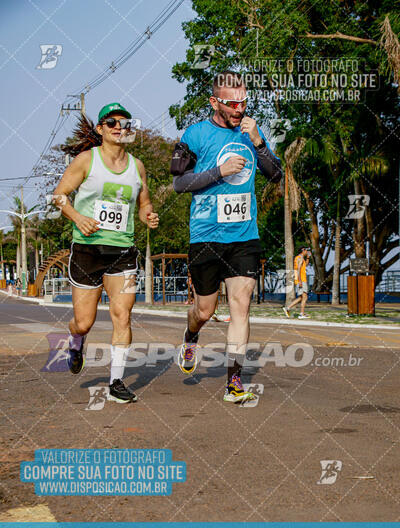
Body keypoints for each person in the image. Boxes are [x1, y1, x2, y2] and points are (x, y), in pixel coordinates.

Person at [173, 71, 282, 402]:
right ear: (214, 102)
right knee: (204, 310)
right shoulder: (195, 134)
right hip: (206, 234)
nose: (239, 108)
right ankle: (191, 335)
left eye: (244, 101)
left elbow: (275, 173)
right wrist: (218, 171)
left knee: (241, 304)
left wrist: (260, 142)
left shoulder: (251, 132)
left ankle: (234, 383)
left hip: (244, 235)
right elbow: (179, 183)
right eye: (232, 103)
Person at [52, 102, 159, 403]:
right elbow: (59, 196)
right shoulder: (87, 160)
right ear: (100, 129)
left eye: (124, 123)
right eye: (111, 122)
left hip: (122, 252)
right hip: (87, 251)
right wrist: (78, 217)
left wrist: (148, 216)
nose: (118, 127)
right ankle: (75, 342)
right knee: (83, 322)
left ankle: (116, 382)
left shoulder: (137, 167)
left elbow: (144, 203)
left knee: (121, 315)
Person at [283, 247, 311, 319]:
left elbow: (305, 266)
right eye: (306, 250)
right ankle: (301, 314)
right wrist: (300, 281)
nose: (307, 252)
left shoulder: (300, 258)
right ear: (303, 251)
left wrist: (308, 258)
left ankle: (288, 308)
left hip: (300, 279)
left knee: (301, 297)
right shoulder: (300, 258)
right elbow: (298, 269)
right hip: (301, 279)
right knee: (305, 297)